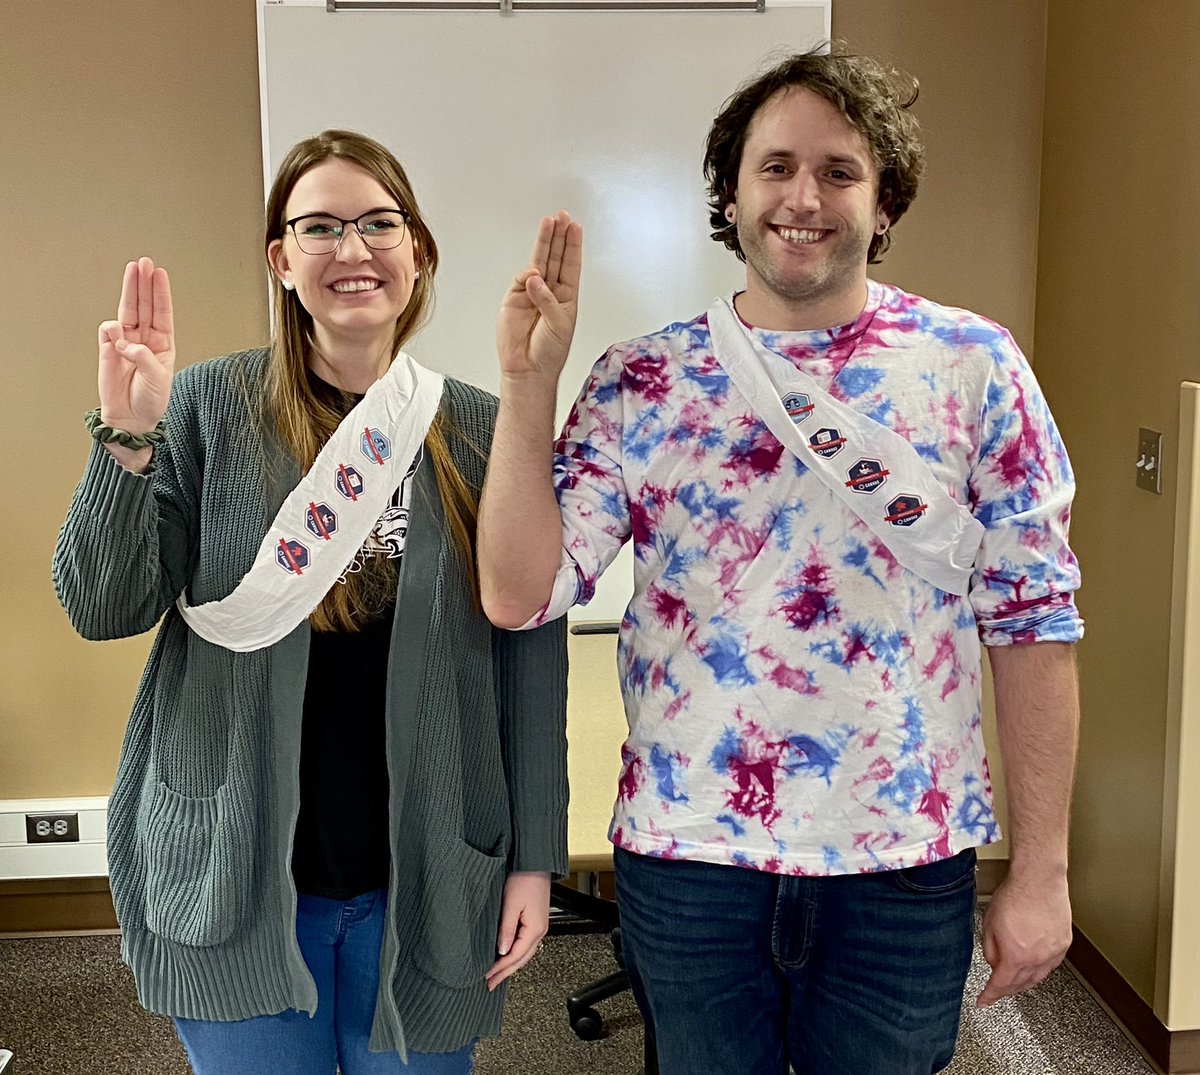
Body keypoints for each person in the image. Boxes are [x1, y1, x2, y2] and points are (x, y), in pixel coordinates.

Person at [479, 45, 1083, 1075]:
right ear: (731, 191)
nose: (805, 198)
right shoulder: (643, 380)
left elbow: (1033, 628)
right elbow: (519, 592)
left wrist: (1043, 872)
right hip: (692, 856)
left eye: (840, 172)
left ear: (884, 204)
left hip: (903, 856)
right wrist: (527, 386)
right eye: (776, 167)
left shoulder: (974, 368)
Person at [53, 129, 569, 1075]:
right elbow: (101, 603)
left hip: (424, 873)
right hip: (234, 865)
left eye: (380, 223)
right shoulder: (207, 406)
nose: (353, 249)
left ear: (418, 250)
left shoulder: (482, 427)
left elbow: (530, 652)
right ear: (281, 259)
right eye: (320, 227)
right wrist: (126, 439)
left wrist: (536, 855)